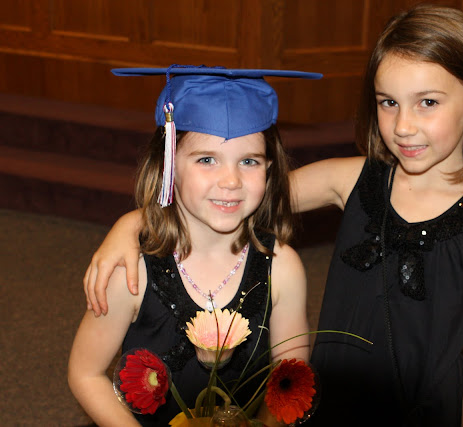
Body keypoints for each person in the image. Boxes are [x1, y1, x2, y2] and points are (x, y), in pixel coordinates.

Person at [82, 4, 463, 426]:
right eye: (388, 102)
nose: (403, 125)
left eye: (427, 102)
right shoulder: (354, 181)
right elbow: (239, 196)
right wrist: (132, 223)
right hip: (333, 409)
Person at [68, 65, 322, 426]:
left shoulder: (282, 267)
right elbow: (86, 373)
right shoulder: (132, 268)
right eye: (206, 159)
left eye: (249, 161)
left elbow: (290, 381)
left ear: (269, 169)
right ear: (169, 164)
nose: (231, 180)